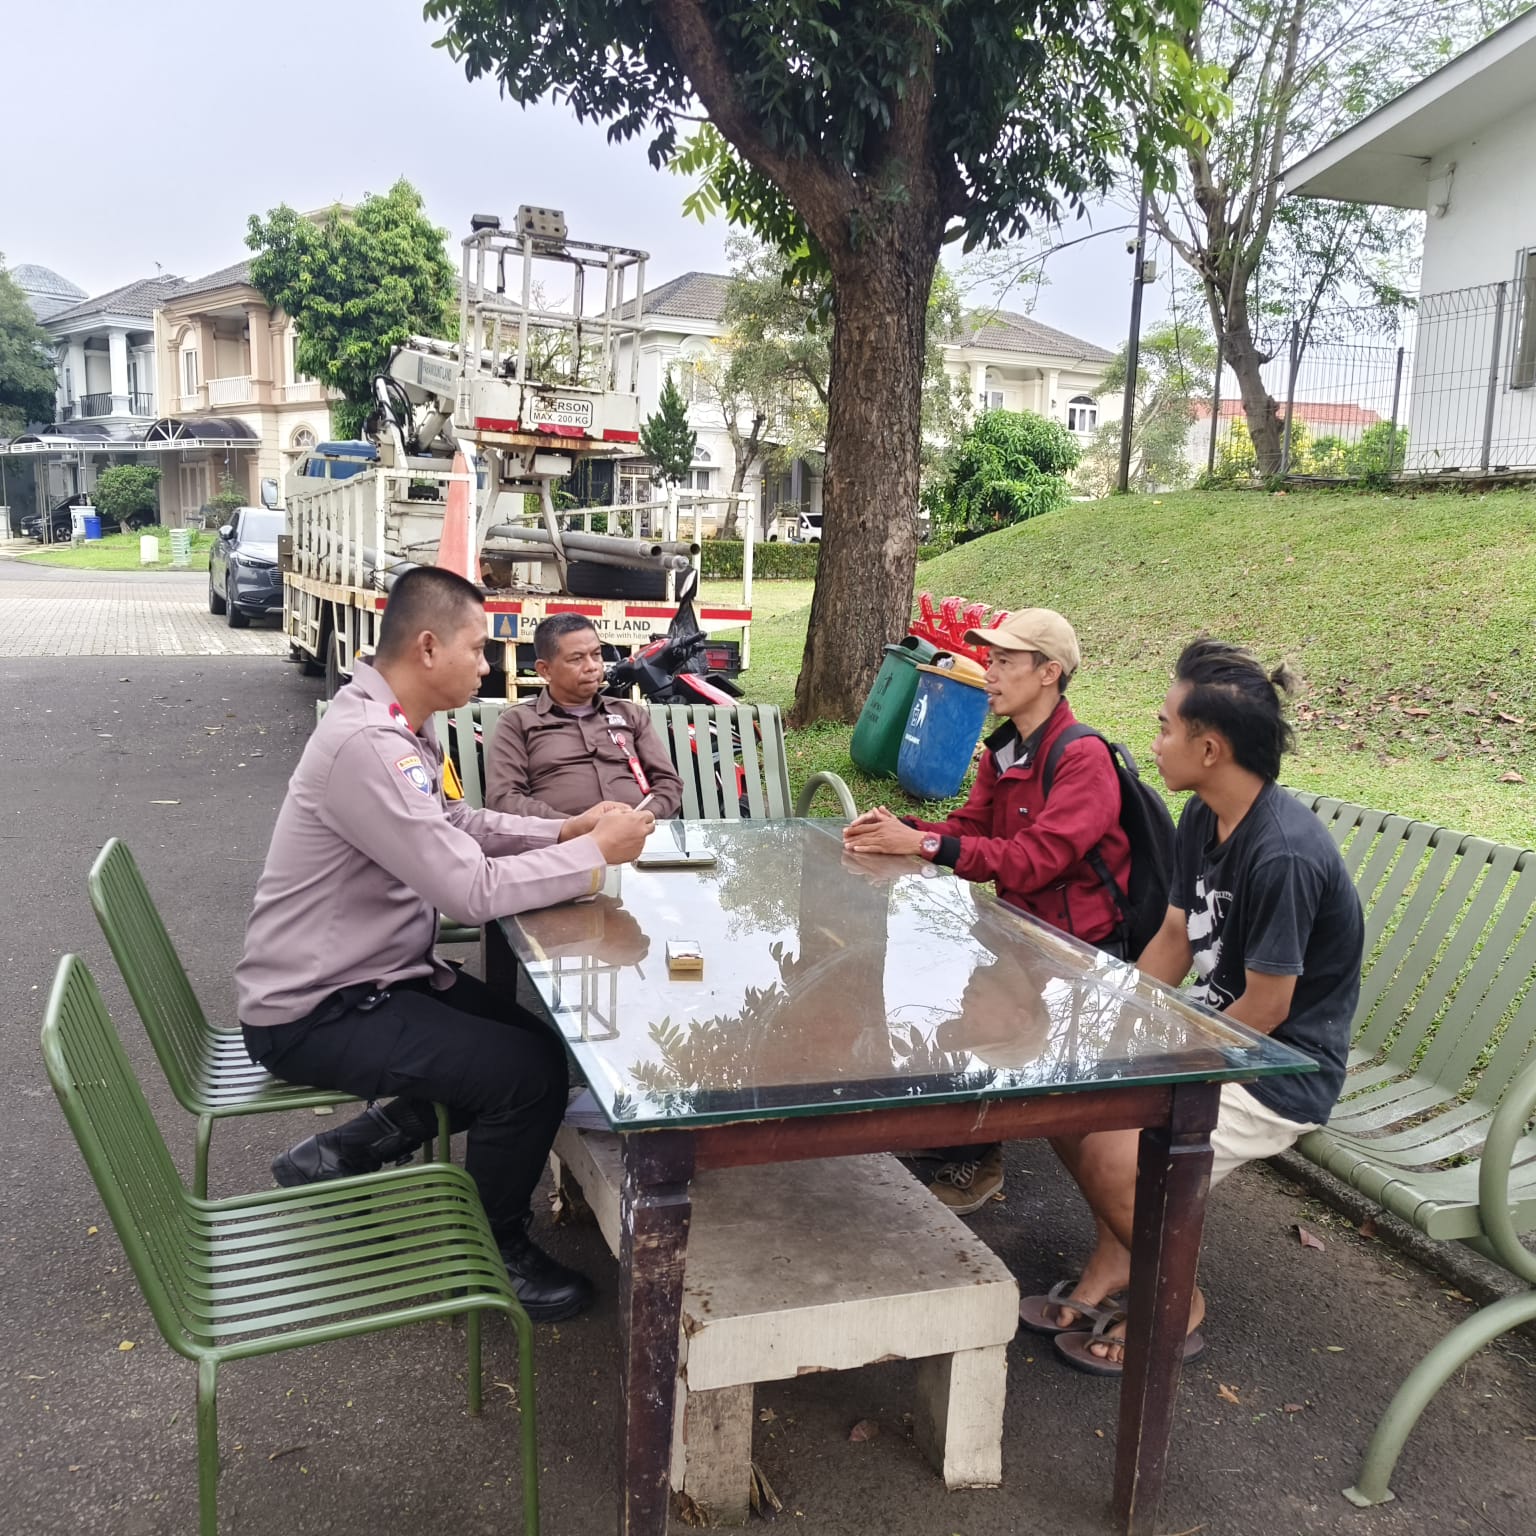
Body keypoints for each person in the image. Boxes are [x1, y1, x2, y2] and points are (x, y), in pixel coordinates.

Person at [236, 566, 654, 1322]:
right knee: (523, 1074)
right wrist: (598, 853)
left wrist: (564, 828)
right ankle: (492, 1252)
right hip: (317, 1009)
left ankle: (343, 1151)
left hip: (375, 978)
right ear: (428, 647)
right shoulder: (369, 745)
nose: (489, 666)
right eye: (478, 649)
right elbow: (469, 890)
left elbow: (456, 827)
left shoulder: (397, 727)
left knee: (528, 1038)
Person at [1031, 638, 1364, 1375]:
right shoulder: (1202, 817)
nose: (1153, 744)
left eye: (1163, 728)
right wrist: (1117, 1023)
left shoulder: (1282, 854)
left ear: (1209, 748)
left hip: (1281, 1068)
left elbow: (1271, 1008)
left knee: (1117, 1157)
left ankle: (1176, 1295)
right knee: (1061, 1097)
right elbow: (1177, 937)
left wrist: (1167, 1064)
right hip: (1216, 1031)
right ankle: (1112, 1262)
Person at [843, 608, 1129, 1213]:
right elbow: (972, 827)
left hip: (1076, 950)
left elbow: (1035, 860)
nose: (989, 673)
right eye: (990, 659)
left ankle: (986, 1152)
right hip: (1016, 929)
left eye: (1003, 662)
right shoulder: (1007, 748)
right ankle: (959, 1135)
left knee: (986, 1012)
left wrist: (923, 845)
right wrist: (904, 828)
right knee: (957, 997)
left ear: (1049, 673)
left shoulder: (1083, 759)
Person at [484, 612, 684, 819]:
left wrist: (645, 816)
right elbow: (504, 798)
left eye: (596, 655)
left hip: (641, 835)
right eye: (577, 658)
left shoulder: (630, 714)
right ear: (545, 670)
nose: (592, 667)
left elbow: (668, 783)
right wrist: (573, 826)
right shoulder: (518, 721)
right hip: (561, 844)